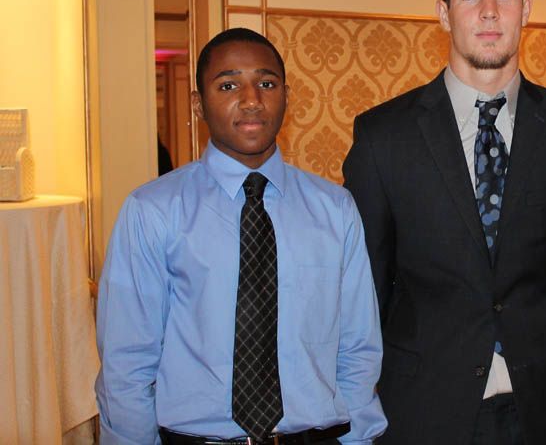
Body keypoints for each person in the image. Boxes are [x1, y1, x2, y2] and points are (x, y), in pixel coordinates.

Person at [343, 0, 546, 444]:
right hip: (424, 415)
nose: (489, 12)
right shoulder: (383, 137)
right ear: (443, 12)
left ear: (527, 8)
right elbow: (364, 290)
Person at [96, 28, 386, 445]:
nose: (251, 100)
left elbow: (358, 349)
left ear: (287, 95)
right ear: (198, 104)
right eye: (228, 85)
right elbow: (127, 365)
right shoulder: (153, 211)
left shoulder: (335, 209)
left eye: (266, 84)